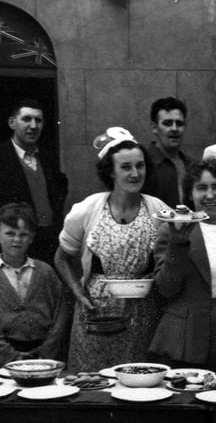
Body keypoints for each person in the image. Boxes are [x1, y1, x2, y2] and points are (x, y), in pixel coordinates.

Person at [55, 128, 168, 372]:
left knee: (137, 385)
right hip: (95, 314)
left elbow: (170, 256)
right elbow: (62, 258)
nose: (135, 173)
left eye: (140, 165)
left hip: (141, 314)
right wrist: (78, 292)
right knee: (92, 386)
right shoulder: (87, 210)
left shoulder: (157, 209)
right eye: (126, 167)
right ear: (111, 172)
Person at [151, 160, 216, 371]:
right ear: (190, 194)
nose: (210, 195)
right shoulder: (171, 230)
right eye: (201, 188)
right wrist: (178, 243)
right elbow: (165, 289)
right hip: (186, 340)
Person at [0, 99, 68, 265]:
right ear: (12, 122)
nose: (33, 125)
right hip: (14, 244)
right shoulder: (1, 157)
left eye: (38, 120)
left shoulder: (48, 158)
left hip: (48, 242)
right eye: (26, 119)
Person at [0, 203, 68, 364]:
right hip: (4, 356)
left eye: (23, 234)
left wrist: (46, 351)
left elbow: (60, 314)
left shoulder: (45, 272)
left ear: (31, 238)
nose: (17, 240)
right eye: (10, 233)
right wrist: (11, 355)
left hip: (44, 354)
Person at [143, 97, 192, 208]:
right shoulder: (142, 165)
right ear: (154, 127)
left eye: (179, 124)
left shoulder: (192, 166)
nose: (174, 129)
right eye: (167, 123)